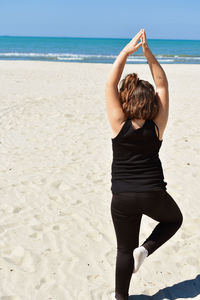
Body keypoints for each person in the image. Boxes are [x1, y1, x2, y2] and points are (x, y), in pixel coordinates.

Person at [105, 29, 183, 300]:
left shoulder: (119, 124)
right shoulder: (157, 127)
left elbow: (109, 85)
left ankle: (121, 298)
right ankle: (146, 250)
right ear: (151, 103)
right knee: (174, 220)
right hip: (152, 194)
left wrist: (126, 52)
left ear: (126, 102)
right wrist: (149, 56)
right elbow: (163, 86)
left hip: (123, 197)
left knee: (123, 250)